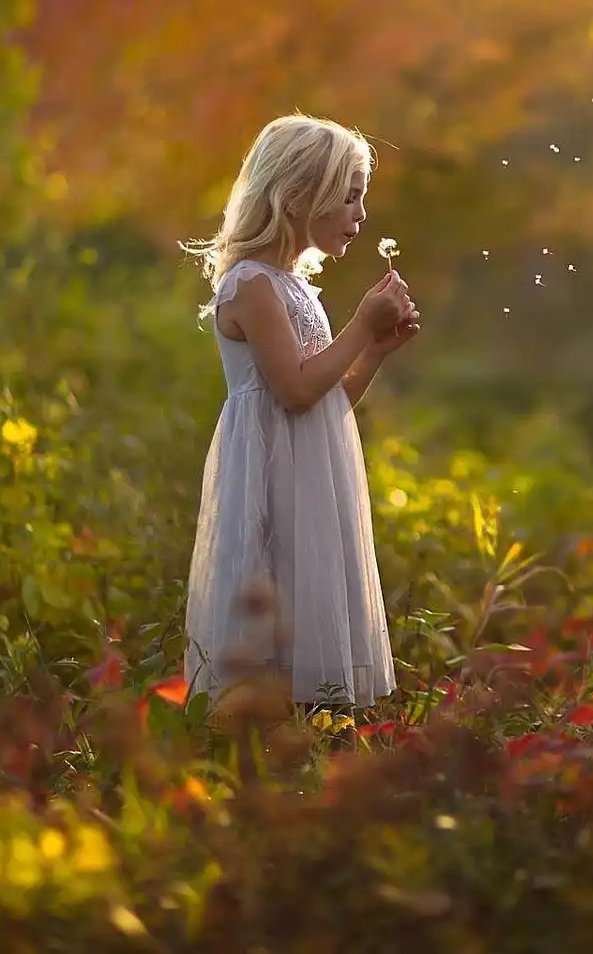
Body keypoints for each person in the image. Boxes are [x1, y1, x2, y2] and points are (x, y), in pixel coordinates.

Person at [181, 113, 420, 731]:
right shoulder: (252, 285)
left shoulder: (296, 287)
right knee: (274, 586)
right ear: (294, 197)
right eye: (348, 198)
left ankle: (310, 733)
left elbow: (328, 394)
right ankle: (259, 735)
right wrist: (360, 325)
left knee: (310, 583)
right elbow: (292, 391)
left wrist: (374, 350)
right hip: (270, 473)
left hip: (310, 472)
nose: (360, 216)